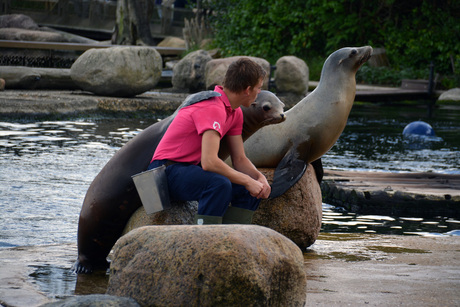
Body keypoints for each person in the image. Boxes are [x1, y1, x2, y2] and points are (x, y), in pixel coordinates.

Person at [148, 58, 271, 225]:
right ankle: (206, 240)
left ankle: (234, 240)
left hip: (188, 169)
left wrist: (258, 178)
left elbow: (239, 159)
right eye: (259, 88)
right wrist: (248, 180)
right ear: (248, 90)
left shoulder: (235, 113)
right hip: (164, 171)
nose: (259, 93)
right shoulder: (213, 107)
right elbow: (209, 162)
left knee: (247, 190)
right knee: (219, 184)